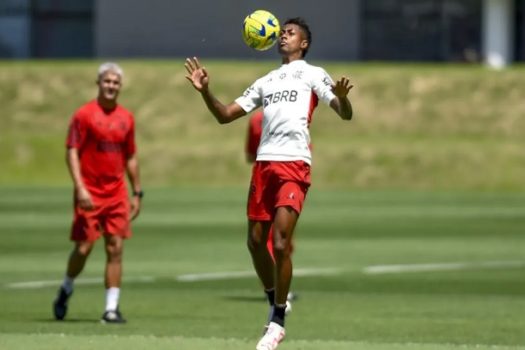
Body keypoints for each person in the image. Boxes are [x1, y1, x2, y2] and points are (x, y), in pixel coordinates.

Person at [185, 17, 353, 349]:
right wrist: (206, 92)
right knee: (254, 242)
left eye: (290, 33)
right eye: (281, 33)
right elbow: (225, 115)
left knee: (279, 242)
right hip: (263, 166)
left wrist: (343, 98)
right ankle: (276, 297)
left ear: (303, 43)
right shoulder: (267, 81)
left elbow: (344, 113)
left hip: (293, 164)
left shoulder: (313, 74)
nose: (282, 37)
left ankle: (277, 321)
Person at [53, 62, 143, 324]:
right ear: (98, 83)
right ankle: (66, 287)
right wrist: (79, 187)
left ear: (120, 86)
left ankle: (111, 309)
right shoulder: (83, 115)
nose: (111, 86)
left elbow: (131, 157)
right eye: (107, 81)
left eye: (116, 82)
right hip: (89, 192)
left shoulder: (127, 118)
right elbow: (71, 151)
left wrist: (137, 193)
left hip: (116, 193)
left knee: (115, 248)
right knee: (83, 248)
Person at [246, 111, 298, 307]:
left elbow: (251, 154)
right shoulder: (258, 120)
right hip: (272, 177)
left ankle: (279, 293)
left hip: (281, 177)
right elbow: (251, 153)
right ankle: (275, 293)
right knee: (266, 240)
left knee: (281, 241)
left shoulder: (258, 119)